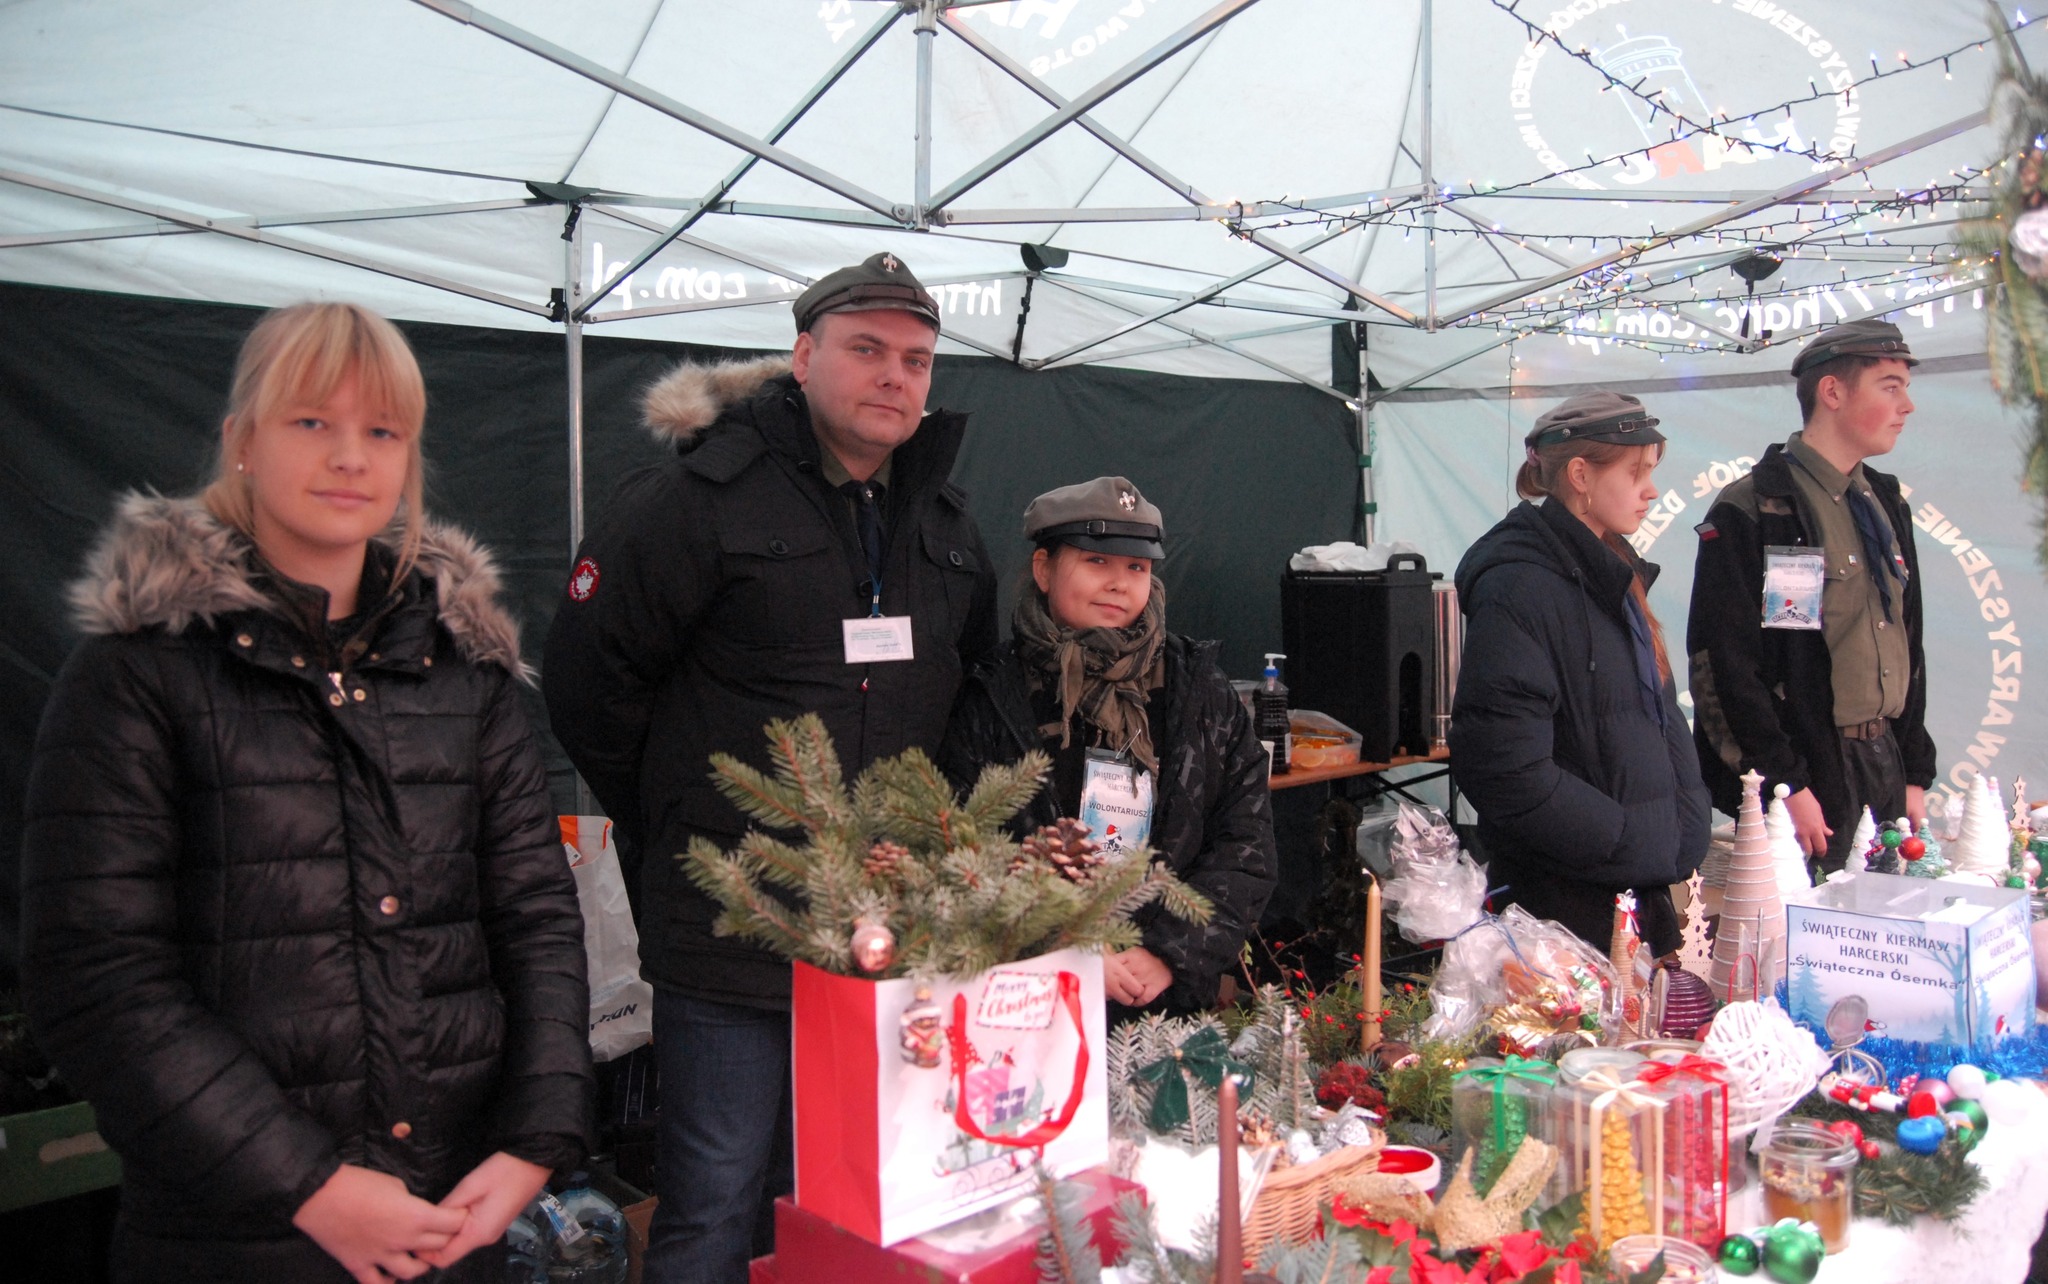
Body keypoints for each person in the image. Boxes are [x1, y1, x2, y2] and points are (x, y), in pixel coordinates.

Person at [19, 302, 593, 1284]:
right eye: (312, 421)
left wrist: (536, 1138)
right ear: (242, 439)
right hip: (233, 1238)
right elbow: (98, 973)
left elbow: (535, 914)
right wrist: (309, 1187)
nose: (349, 457)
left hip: (451, 1221)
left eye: (383, 431)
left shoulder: (465, 669)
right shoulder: (139, 673)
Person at [542, 252, 997, 1283]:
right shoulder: (696, 498)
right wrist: (686, 823)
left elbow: (971, 698)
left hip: (882, 933)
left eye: (916, 360)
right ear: (801, 356)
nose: (894, 376)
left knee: (833, 1197)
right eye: (866, 350)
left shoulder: (945, 522)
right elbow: (587, 682)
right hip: (731, 931)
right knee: (714, 1202)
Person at [938, 477, 1276, 1014]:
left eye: (1137, 567)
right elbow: (959, 851)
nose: (1120, 583)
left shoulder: (1198, 690)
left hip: (1166, 1001)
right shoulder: (992, 695)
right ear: (1044, 568)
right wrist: (1070, 953)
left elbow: (1246, 844)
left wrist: (1168, 953)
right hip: (1036, 1003)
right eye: (1097, 561)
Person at [1449, 393, 1709, 955]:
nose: (1651, 490)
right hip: (1560, 912)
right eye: (1636, 472)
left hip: (1633, 891)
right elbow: (1502, 765)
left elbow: (1658, 718)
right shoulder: (1520, 586)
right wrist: (1621, 837)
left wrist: (1682, 824)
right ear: (1580, 475)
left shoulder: (1615, 572)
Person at [1689, 319, 1933, 876]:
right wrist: (1784, 784)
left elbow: (1909, 641)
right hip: (1810, 779)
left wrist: (1914, 769)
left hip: (1885, 761)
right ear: (1832, 392)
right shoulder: (1757, 507)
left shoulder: (1884, 501)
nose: (1907, 405)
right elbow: (1723, 665)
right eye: (1890, 387)